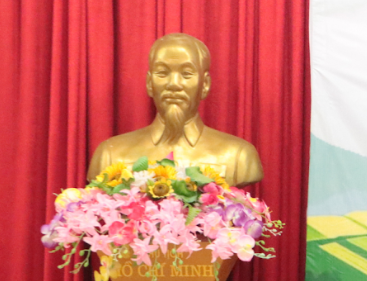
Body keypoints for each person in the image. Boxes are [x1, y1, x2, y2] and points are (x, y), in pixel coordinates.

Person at [88, 33, 263, 186]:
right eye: (162, 73)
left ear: (205, 84)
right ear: (149, 83)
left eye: (186, 74)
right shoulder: (110, 154)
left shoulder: (238, 155)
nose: (173, 84)